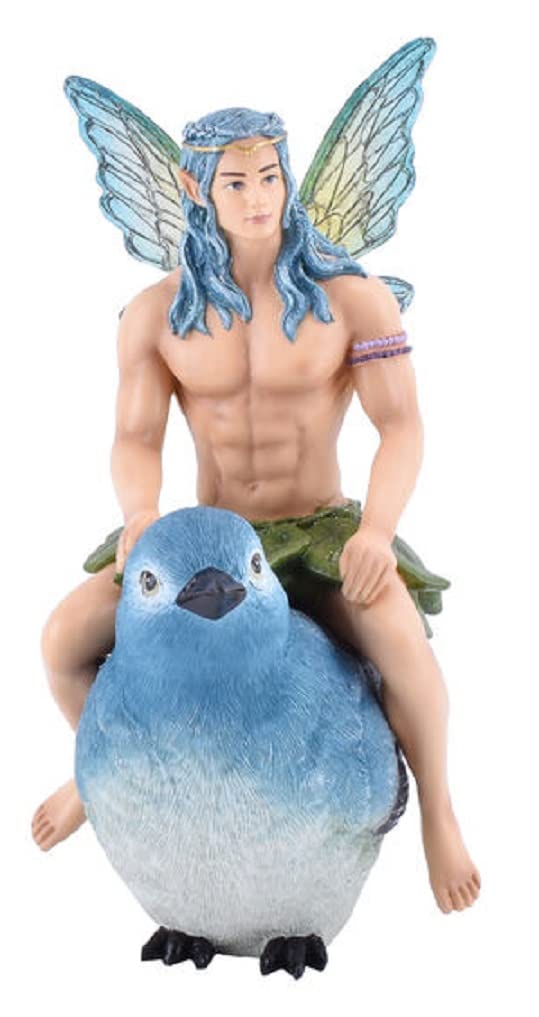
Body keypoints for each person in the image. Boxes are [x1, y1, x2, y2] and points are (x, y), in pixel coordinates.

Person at [32, 107, 481, 915]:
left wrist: (375, 532)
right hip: (207, 541)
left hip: (319, 528)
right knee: (65, 636)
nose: (258, 198)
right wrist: (139, 515)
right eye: (236, 183)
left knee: (398, 640)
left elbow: (401, 426)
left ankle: (438, 814)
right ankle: (93, 769)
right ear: (194, 187)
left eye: (270, 177)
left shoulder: (353, 301)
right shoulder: (157, 314)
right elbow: (135, 436)